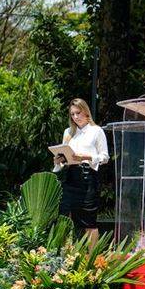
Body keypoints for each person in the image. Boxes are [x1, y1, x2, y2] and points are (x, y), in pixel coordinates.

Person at [53, 98, 109, 245]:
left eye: (78, 113)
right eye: (72, 114)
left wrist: (86, 157)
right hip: (70, 177)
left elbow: (105, 157)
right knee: (65, 217)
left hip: (88, 177)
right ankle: (67, 258)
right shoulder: (68, 132)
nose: (75, 117)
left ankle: (92, 260)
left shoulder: (96, 131)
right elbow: (65, 155)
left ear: (85, 111)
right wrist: (58, 161)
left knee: (89, 220)